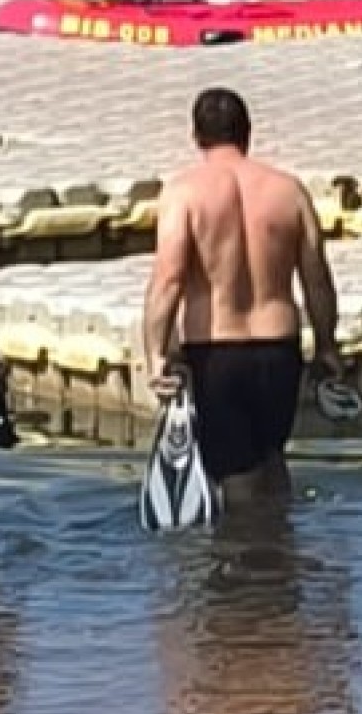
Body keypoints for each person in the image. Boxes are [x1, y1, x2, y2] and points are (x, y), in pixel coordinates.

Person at [142, 87, 346, 504]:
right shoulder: (289, 191)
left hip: (216, 352)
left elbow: (168, 278)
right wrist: (326, 346)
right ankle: (283, 555)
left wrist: (156, 354)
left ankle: (248, 558)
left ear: (196, 136)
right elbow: (317, 279)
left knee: (233, 473)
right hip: (280, 349)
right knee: (271, 456)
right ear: (247, 133)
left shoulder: (184, 193)